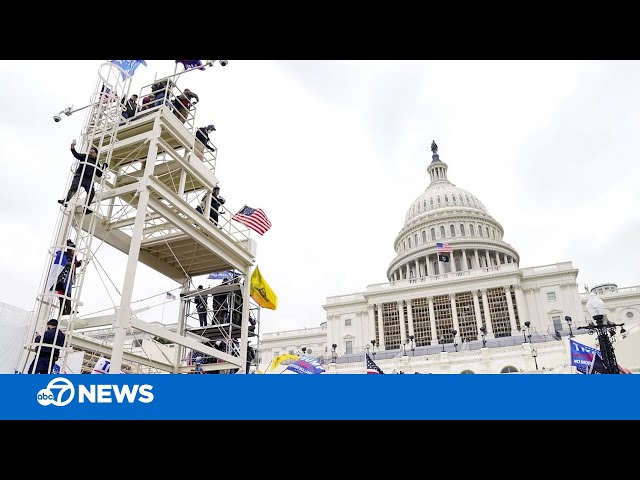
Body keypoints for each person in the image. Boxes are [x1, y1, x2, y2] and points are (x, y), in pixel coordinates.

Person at [58, 141, 106, 214]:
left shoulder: (96, 163)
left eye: (93, 151)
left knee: (91, 193)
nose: (91, 151)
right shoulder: (84, 156)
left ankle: (86, 208)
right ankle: (66, 201)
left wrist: (104, 167)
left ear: (96, 154)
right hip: (80, 175)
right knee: (74, 187)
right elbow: (76, 155)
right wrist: (72, 148)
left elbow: (99, 174)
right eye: (90, 150)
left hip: (88, 179)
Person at [55, 240, 82, 316]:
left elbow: (75, 265)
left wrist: (79, 263)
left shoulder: (72, 256)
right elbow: (63, 263)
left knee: (66, 293)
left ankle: (65, 310)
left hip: (68, 276)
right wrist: (69, 264)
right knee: (65, 293)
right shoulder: (65, 255)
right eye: (74, 249)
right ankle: (66, 310)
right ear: (70, 249)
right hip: (64, 276)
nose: (75, 251)